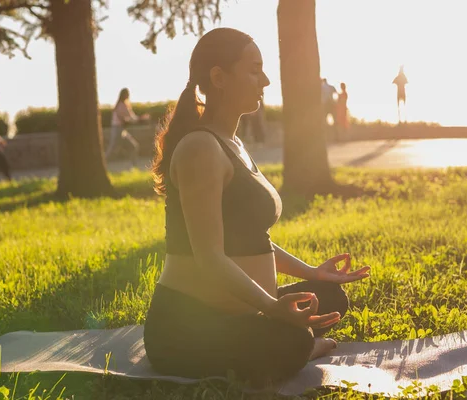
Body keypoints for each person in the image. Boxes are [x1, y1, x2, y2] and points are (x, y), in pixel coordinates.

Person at [144, 28, 370, 387]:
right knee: (292, 339)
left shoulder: (232, 143)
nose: (265, 80)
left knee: (327, 297)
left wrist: (312, 272)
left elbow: (253, 239)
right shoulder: (200, 148)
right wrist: (271, 307)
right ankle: (300, 346)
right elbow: (210, 257)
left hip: (245, 310)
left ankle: (289, 337)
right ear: (219, 77)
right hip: (189, 326)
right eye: (254, 70)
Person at [105, 88, 149, 166]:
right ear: (124, 95)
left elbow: (131, 118)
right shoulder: (121, 105)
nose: (128, 95)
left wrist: (140, 118)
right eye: (127, 94)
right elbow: (131, 119)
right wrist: (141, 119)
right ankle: (102, 163)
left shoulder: (124, 105)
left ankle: (134, 166)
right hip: (117, 130)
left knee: (133, 146)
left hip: (122, 131)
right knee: (112, 149)